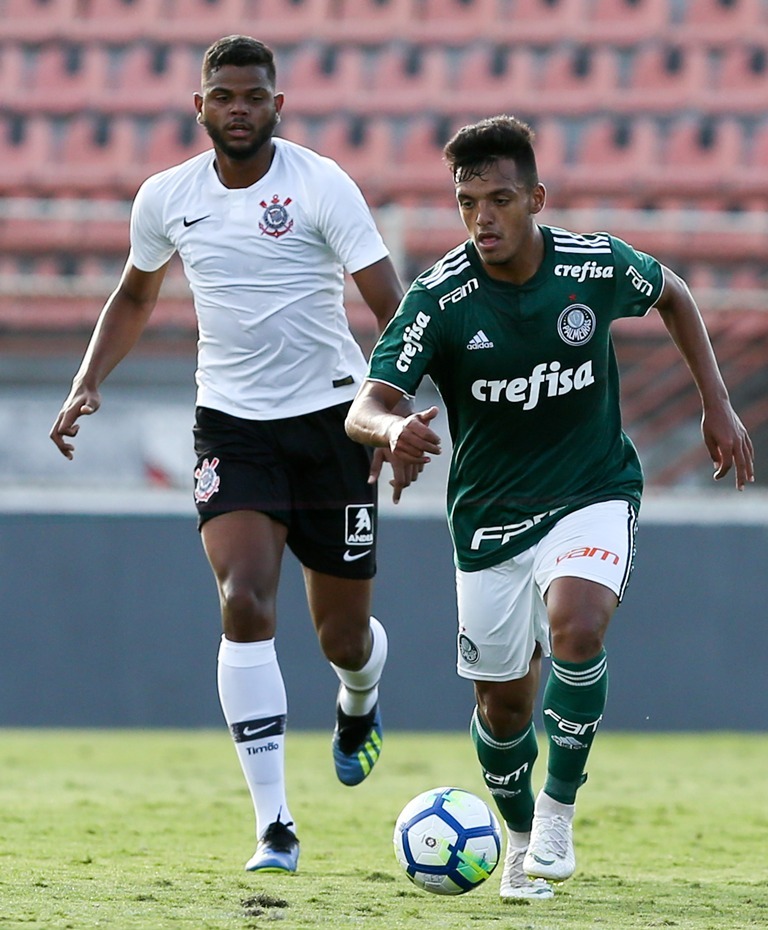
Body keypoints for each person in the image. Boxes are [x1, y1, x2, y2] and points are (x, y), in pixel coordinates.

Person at [345, 115, 754, 900]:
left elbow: (672, 294)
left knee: (578, 623)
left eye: (498, 199)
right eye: (467, 203)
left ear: (535, 197)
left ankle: (559, 812)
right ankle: (521, 835)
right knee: (503, 710)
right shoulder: (440, 298)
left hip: (592, 488)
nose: (483, 219)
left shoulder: (592, 265)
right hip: (491, 517)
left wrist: (717, 402)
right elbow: (365, 405)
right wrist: (393, 427)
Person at [50, 35, 408, 875]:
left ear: (277, 107)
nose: (239, 109)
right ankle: (274, 825)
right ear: (200, 107)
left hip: (333, 423)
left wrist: (393, 417)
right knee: (245, 600)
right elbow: (135, 293)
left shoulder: (323, 185)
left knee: (343, 637)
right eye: (224, 96)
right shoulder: (167, 197)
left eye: (254, 96)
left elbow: (395, 308)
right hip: (233, 426)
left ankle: (358, 701)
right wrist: (88, 378)